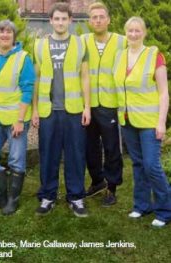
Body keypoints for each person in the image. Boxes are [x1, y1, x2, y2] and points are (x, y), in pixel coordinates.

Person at [32, 3, 90, 217]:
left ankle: (76, 197)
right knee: (48, 154)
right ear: (50, 21)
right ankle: (48, 196)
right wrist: (35, 109)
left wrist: (87, 107)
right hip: (49, 111)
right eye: (56, 19)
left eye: (64, 19)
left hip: (73, 110)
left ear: (70, 20)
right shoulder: (39, 45)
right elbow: (37, 79)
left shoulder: (80, 44)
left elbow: (85, 77)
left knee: (75, 154)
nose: (60, 22)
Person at [113, 16, 171, 227]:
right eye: (130, 31)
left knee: (151, 165)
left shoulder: (154, 55)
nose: (134, 34)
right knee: (137, 164)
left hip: (149, 120)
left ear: (144, 33)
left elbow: (164, 93)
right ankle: (142, 205)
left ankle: (165, 210)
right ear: (125, 33)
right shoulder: (120, 56)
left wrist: (161, 122)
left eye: (138, 31)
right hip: (127, 119)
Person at [0, 20, 35, 215]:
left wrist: (20, 120)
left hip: (15, 119)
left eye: (9, 32)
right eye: (1, 31)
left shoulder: (23, 58)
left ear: (14, 36)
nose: (4, 35)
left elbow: (28, 90)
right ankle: (0, 196)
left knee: (16, 160)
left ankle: (12, 199)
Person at [82, 2, 125, 206]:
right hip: (88, 105)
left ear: (108, 19)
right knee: (90, 147)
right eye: (94, 17)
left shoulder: (121, 42)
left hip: (110, 104)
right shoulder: (82, 41)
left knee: (111, 148)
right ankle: (97, 181)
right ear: (89, 21)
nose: (98, 20)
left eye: (101, 16)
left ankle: (112, 187)